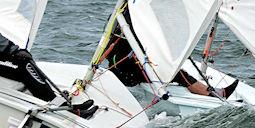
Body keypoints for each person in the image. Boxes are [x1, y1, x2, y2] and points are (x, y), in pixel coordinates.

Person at [102, 20, 240, 100]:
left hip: (118, 71)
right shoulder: (133, 25)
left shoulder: (117, 22)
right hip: (128, 75)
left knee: (168, 68)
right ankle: (214, 94)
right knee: (177, 73)